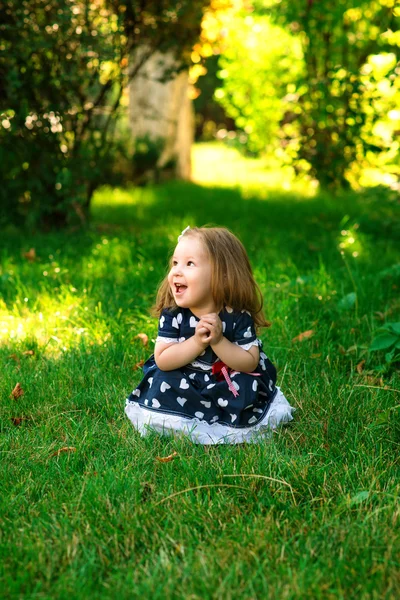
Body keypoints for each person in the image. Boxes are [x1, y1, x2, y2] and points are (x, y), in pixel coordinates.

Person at [125, 226, 294, 444]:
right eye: (175, 263)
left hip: (227, 382)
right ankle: (180, 422)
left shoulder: (236, 315)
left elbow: (249, 363)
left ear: (222, 274)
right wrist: (196, 342)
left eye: (189, 264)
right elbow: (163, 360)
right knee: (162, 378)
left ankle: (228, 426)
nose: (176, 271)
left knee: (245, 385)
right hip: (184, 381)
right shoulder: (174, 313)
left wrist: (219, 341)